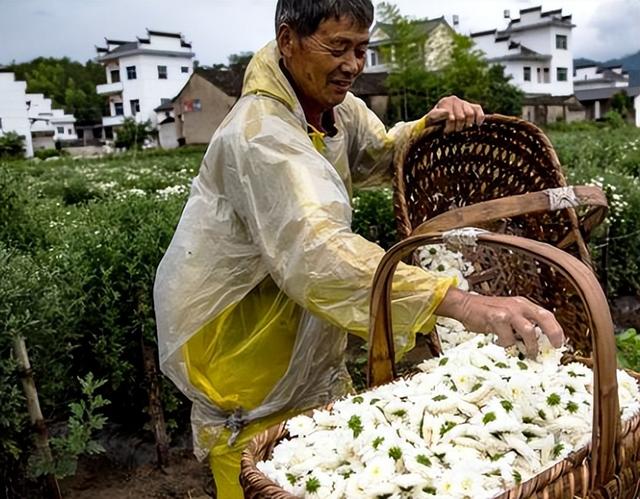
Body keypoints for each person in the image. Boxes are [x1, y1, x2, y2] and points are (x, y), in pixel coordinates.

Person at [153, 1, 564, 496]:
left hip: (301, 345)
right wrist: (462, 304)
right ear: (288, 41)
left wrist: (426, 128)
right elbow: (319, 255)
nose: (352, 64)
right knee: (262, 475)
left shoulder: (334, 108)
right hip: (245, 356)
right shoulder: (261, 136)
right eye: (337, 47)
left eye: (362, 48)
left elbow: (379, 154)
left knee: (330, 466)